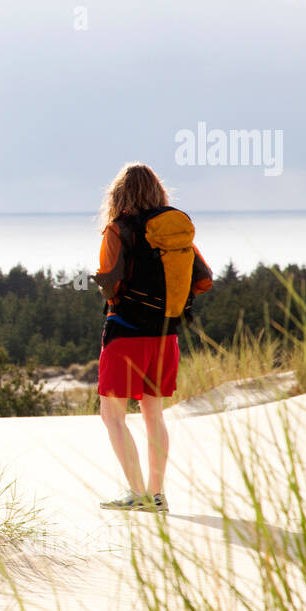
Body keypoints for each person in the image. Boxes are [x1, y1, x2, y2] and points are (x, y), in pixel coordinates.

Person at [92, 163, 212, 512]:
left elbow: (109, 283)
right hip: (165, 337)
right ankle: (157, 495)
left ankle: (137, 493)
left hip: (126, 334)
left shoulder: (119, 230)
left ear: (119, 194)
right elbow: (204, 280)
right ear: (158, 191)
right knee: (153, 413)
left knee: (112, 414)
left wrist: (119, 297)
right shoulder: (173, 231)